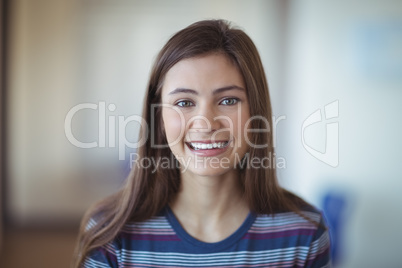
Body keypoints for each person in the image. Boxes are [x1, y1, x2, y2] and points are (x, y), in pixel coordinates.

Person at [74, 19, 331, 268]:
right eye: (184, 103)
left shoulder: (304, 234)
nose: (206, 123)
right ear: (159, 118)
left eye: (228, 100)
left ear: (256, 113)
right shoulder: (111, 234)